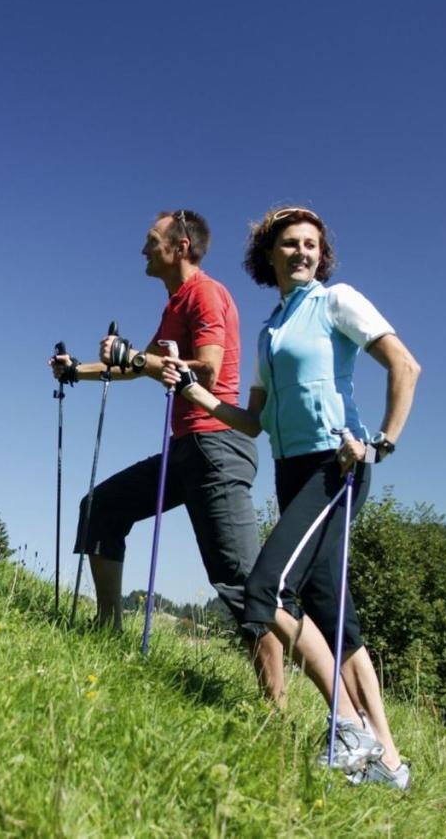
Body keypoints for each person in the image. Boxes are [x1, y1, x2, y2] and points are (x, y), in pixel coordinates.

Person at [162, 205, 421, 790]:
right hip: (288, 469)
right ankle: (392, 762)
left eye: (311, 245)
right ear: (269, 256)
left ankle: (348, 728)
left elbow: (405, 365)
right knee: (334, 619)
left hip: (337, 464)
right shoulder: (270, 331)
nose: (302, 252)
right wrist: (194, 390)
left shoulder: (338, 302)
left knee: (265, 590)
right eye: (290, 244)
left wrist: (381, 443)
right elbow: (250, 422)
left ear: (320, 256)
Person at [49, 209, 284, 700]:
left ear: (180, 246)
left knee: (240, 581)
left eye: (151, 241)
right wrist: (79, 371)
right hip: (187, 448)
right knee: (102, 508)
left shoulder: (204, 293)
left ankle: (275, 708)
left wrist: (136, 356)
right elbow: (138, 367)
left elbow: (210, 372)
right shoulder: (177, 301)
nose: (143, 250)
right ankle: (107, 629)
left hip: (216, 445)